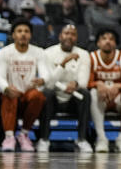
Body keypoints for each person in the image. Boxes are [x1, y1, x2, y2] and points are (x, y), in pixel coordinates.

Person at [37, 23, 92, 153]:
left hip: (73, 98)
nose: (69, 37)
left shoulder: (84, 54)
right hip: (54, 98)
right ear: (60, 36)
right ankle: (44, 139)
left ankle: (82, 139)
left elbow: (83, 81)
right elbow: (49, 83)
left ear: (76, 38)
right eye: (66, 33)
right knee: (46, 93)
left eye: (73, 34)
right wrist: (64, 63)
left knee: (85, 94)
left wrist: (76, 84)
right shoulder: (48, 53)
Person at [0, 20, 45, 152]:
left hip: (28, 94)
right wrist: (6, 88)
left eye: (26, 31)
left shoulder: (38, 52)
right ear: (13, 35)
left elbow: (45, 74)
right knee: (8, 94)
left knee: (38, 96)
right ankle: (9, 137)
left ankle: (24, 134)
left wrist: (42, 80)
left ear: (31, 35)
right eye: (19, 31)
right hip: (11, 95)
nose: (23, 34)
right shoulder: (4, 52)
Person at [88, 29, 121, 152]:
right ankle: (102, 138)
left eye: (111, 39)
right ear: (98, 43)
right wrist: (98, 84)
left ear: (115, 43)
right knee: (92, 93)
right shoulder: (91, 57)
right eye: (104, 38)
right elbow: (86, 83)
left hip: (118, 99)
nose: (107, 41)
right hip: (100, 99)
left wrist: (118, 86)